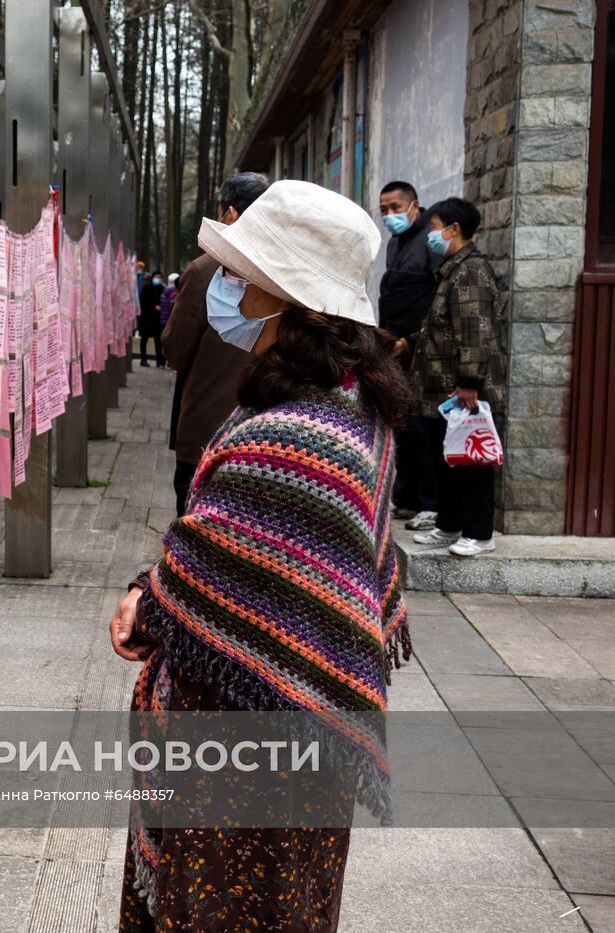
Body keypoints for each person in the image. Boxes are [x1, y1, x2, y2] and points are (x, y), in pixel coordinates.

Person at [111, 180, 411, 932]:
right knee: (284, 899)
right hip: (298, 734)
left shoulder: (295, 432)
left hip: (243, 737)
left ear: (288, 296)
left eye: (243, 274)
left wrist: (151, 598)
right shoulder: (353, 405)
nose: (230, 287)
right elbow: (243, 550)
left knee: (225, 900)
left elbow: (226, 562)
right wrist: (158, 586)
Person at [162, 173, 267, 515]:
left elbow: (176, 350)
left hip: (208, 427)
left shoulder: (206, 269)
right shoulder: (282, 270)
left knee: (196, 525)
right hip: (265, 428)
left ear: (230, 213)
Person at [410, 197, 504, 557]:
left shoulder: (471, 271)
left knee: (472, 462)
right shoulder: (452, 269)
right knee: (446, 458)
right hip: (440, 388)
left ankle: (479, 533)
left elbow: (475, 331)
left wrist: (469, 383)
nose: (431, 235)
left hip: (460, 387)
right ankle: (449, 525)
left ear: (454, 229)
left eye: (435, 227)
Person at [378, 180, 441, 531]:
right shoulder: (395, 243)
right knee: (401, 423)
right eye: (384, 210)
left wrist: (413, 340)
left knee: (422, 427)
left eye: (395, 208)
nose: (390, 216)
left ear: (414, 206)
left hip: (421, 350)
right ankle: (406, 497)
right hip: (395, 348)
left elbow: (438, 300)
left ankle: (430, 503)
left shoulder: (430, 241)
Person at [138, 270, 165, 367]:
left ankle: (159, 360)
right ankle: (143, 359)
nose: (158, 279)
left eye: (159, 277)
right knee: (144, 339)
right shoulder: (146, 288)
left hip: (157, 319)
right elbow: (143, 301)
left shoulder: (162, 288)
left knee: (158, 340)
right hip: (147, 318)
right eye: (156, 277)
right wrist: (153, 306)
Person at [156, 273, 179, 370]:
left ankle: (161, 362)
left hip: (163, 320)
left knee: (163, 342)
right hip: (171, 322)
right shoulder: (175, 293)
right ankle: (170, 361)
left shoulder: (164, 292)